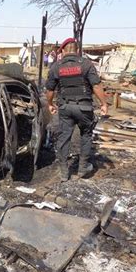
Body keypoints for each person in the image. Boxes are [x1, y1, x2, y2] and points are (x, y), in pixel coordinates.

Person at [45, 37, 108, 182]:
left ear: (62, 51)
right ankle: (82, 169)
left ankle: (64, 172)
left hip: (65, 107)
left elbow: (50, 89)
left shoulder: (56, 66)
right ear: (77, 50)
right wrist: (103, 103)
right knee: (86, 135)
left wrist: (49, 104)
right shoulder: (86, 64)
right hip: (84, 108)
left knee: (64, 137)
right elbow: (96, 86)